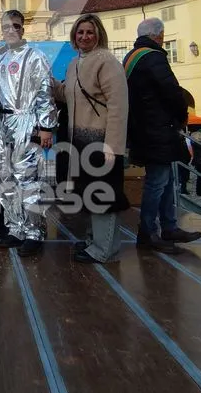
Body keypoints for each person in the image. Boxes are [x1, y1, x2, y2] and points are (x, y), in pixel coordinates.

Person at [52, 13, 130, 263]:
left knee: (104, 195)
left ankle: (105, 250)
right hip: (80, 141)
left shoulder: (107, 61)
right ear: (74, 35)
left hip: (101, 140)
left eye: (90, 32)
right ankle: (94, 241)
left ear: (99, 35)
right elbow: (67, 95)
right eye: (80, 32)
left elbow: (118, 106)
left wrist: (113, 146)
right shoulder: (75, 63)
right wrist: (49, 82)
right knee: (90, 192)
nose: (84, 37)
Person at [124, 17, 201, 253]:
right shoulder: (154, 56)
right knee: (157, 182)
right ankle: (148, 232)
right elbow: (172, 91)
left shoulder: (130, 58)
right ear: (159, 36)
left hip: (142, 129)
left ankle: (169, 227)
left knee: (165, 181)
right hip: (157, 129)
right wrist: (181, 116)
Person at [0, 9, 58, 257]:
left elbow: (45, 93)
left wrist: (46, 127)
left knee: (28, 181)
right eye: (6, 27)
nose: (11, 30)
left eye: (15, 26)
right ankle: (15, 228)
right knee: (4, 178)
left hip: (26, 121)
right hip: (1, 123)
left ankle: (34, 233)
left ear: (22, 28)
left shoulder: (35, 57)